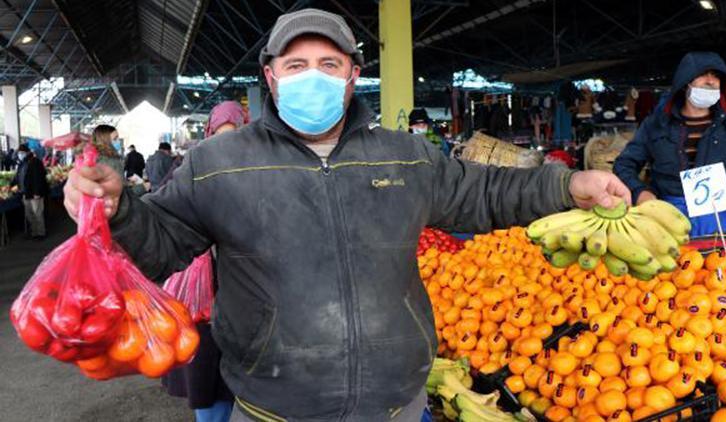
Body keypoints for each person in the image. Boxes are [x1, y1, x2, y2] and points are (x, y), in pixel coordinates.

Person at [63, 8, 629, 421]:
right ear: (271, 76)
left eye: (329, 63)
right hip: (272, 406)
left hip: (397, 405)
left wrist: (568, 184)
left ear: (353, 75)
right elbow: (159, 241)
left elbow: (484, 194)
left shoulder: (404, 154)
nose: (313, 75)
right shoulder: (218, 163)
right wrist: (117, 212)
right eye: (297, 63)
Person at [161, 100, 248, 422]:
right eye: (220, 133)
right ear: (209, 133)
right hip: (202, 305)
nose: (226, 142)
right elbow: (165, 221)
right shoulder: (190, 169)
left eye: (235, 132)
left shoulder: (259, 171)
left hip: (247, 301)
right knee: (208, 384)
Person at [614, 51, 726, 250]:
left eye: (716, 76)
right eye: (703, 74)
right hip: (668, 221)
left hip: (722, 223)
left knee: (724, 279)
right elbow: (624, 164)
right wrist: (640, 192)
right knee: (673, 279)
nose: (711, 81)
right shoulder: (656, 125)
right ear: (686, 81)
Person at [12, 144, 48, 239]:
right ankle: (34, 232)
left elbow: (38, 178)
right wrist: (12, 185)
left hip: (34, 193)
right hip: (25, 192)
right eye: (19, 153)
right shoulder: (22, 163)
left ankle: (40, 233)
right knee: (29, 214)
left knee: (38, 213)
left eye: (21, 153)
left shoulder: (35, 162)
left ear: (27, 152)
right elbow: (18, 176)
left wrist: (37, 192)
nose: (20, 154)